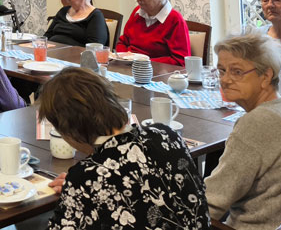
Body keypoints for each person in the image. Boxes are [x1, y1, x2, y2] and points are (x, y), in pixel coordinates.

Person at [40, 67, 210, 230]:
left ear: (70, 129)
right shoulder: (166, 135)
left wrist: (78, 189)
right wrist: (79, 189)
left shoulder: (86, 177)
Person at [205, 32, 281, 230]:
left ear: (266, 76)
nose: (225, 80)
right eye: (221, 70)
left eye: (236, 72)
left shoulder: (256, 124)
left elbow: (210, 204)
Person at [116, 0, 191, 65]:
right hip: (130, 67)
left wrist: (144, 62)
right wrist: (124, 56)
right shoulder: (137, 13)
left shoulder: (175, 20)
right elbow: (123, 42)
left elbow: (180, 61)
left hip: (157, 73)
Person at [44, 0, 109, 47]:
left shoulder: (95, 17)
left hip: (73, 58)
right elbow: (46, 38)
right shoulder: (63, 11)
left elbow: (94, 51)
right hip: (51, 56)